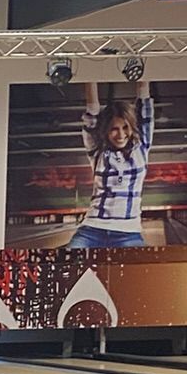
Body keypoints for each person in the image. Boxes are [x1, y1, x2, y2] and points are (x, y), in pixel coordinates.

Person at [70, 79, 154, 249]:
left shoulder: (142, 147)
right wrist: (90, 66)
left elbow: (144, 96)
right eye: (114, 129)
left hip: (128, 233)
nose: (121, 134)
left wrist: (140, 61)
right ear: (106, 130)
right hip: (92, 229)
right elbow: (92, 110)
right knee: (65, 268)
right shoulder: (97, 151)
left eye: (125, 127)